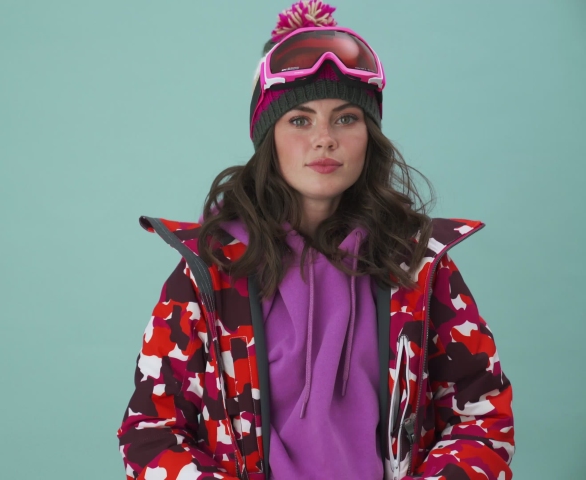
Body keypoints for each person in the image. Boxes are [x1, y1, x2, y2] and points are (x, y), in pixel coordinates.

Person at [116, 1, 514, 479]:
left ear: (369, 135)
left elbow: (482, 416)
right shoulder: (209, 271)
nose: (324, 139)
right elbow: (151, 432)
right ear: (269, 137)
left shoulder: (418, 266)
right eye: (300, 120)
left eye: (346, 119)